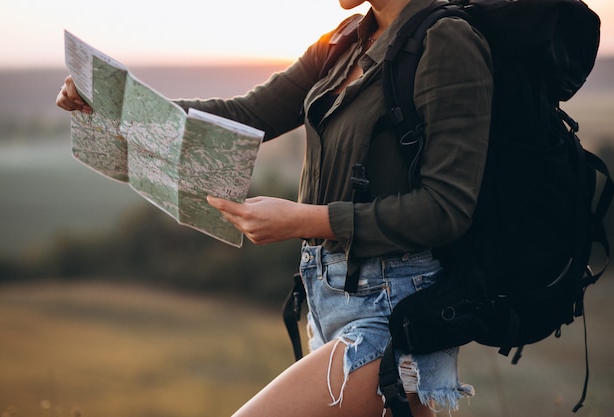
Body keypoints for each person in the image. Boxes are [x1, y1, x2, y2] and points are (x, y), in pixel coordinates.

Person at [57, 0, 493, 415]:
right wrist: (116, 106)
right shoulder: (342, 42)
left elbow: (446, 208)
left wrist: (302, 220)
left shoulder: (447, 41)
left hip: (394, 309)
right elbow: (245, 114)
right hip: (327, 297)